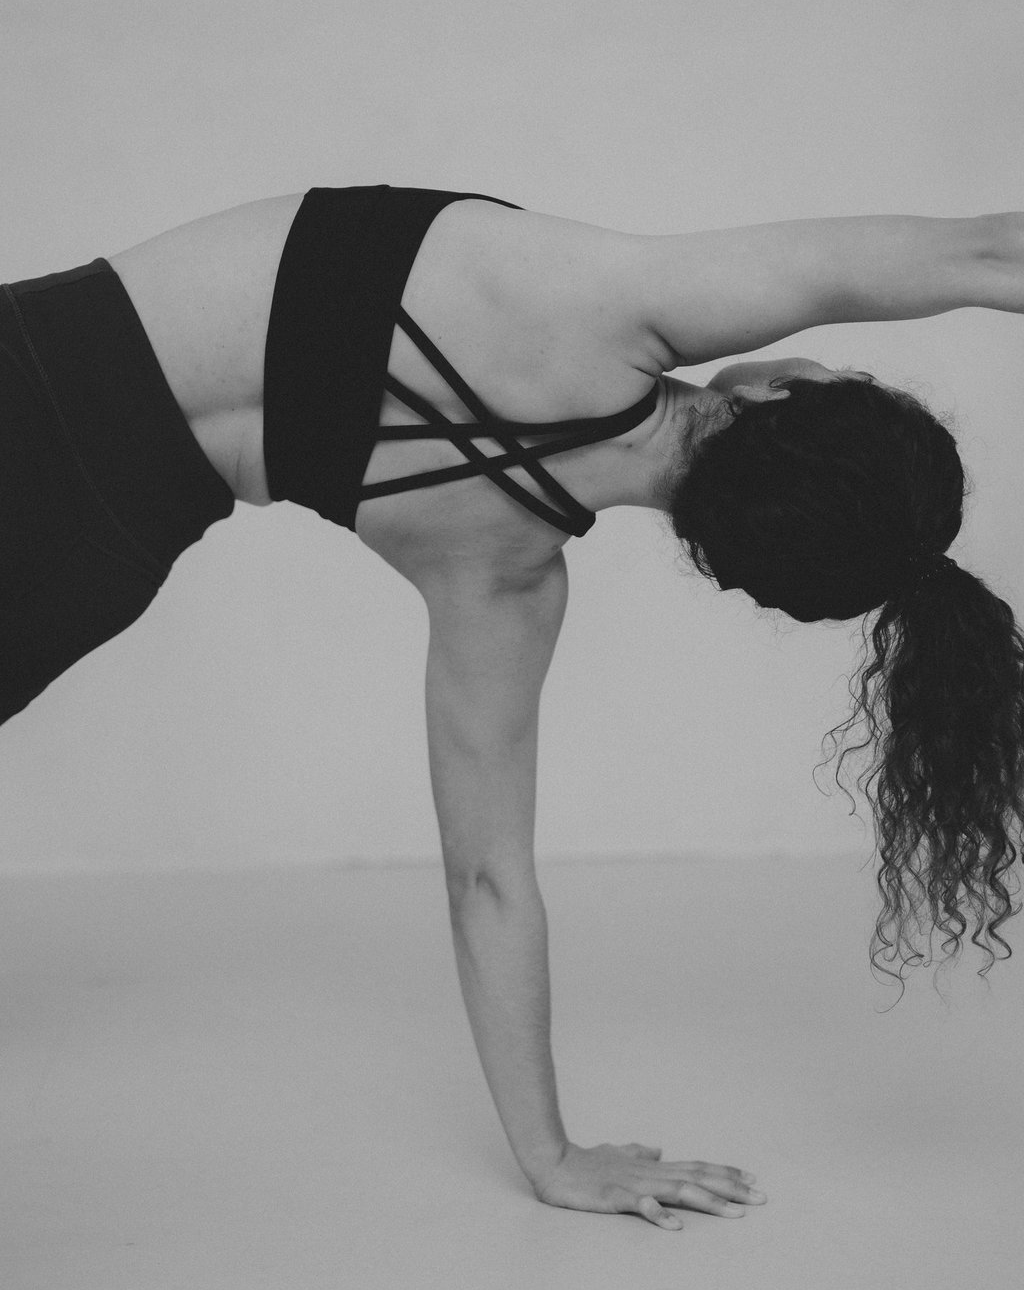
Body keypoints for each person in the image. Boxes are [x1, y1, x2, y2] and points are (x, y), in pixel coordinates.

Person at [2, 185, 1022, 1232]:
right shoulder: (502, 574)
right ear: (732, 557)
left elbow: (988, 253)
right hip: (90, 554)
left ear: (778, 387)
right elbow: (487, 879)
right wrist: (552, 1157)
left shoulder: (609, 301)